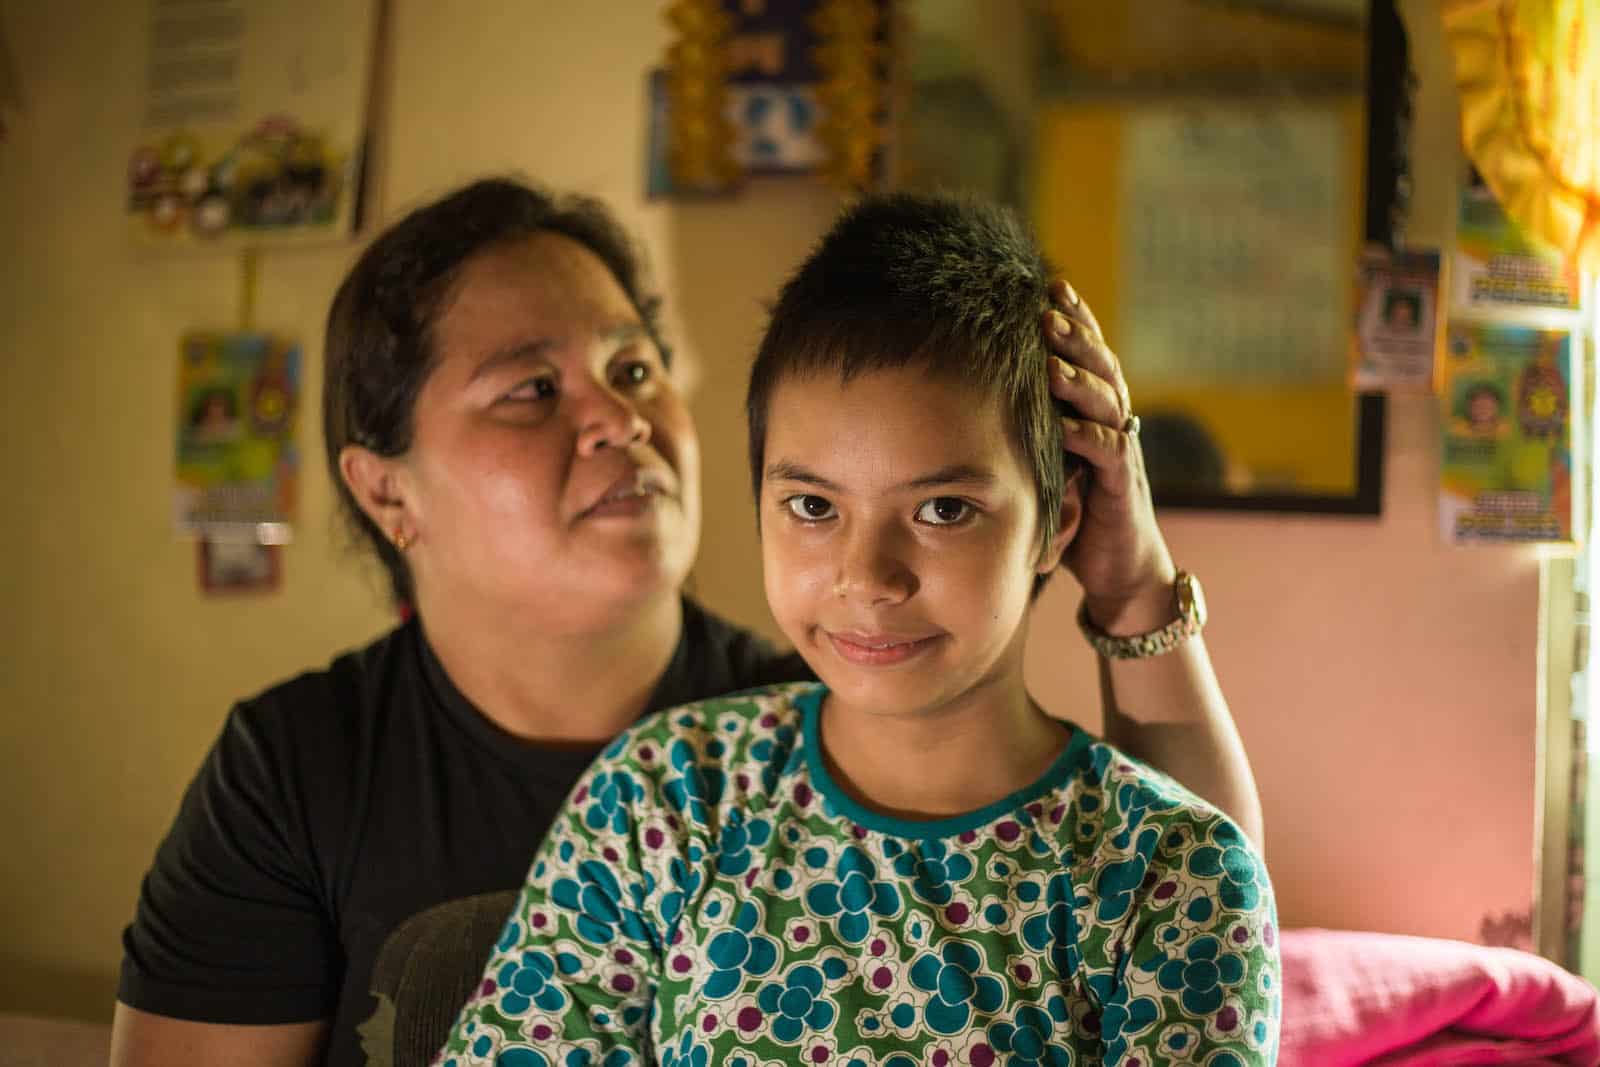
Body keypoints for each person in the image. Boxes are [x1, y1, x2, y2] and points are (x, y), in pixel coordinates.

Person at [112, 179, 1260, 1067]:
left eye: (633, 365)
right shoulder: (662, 797)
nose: (619, 417)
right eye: (530, 387)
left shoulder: (869, 715)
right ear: (386, 490)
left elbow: (1201, 885)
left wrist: (1132, 575)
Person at [438, 194, 1277, 1066]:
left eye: (944, 508)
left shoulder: (1168, 871)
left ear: (1057, 521)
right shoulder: (664, 800)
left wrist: (1136, 584)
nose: (867, 577)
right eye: (811, 505)